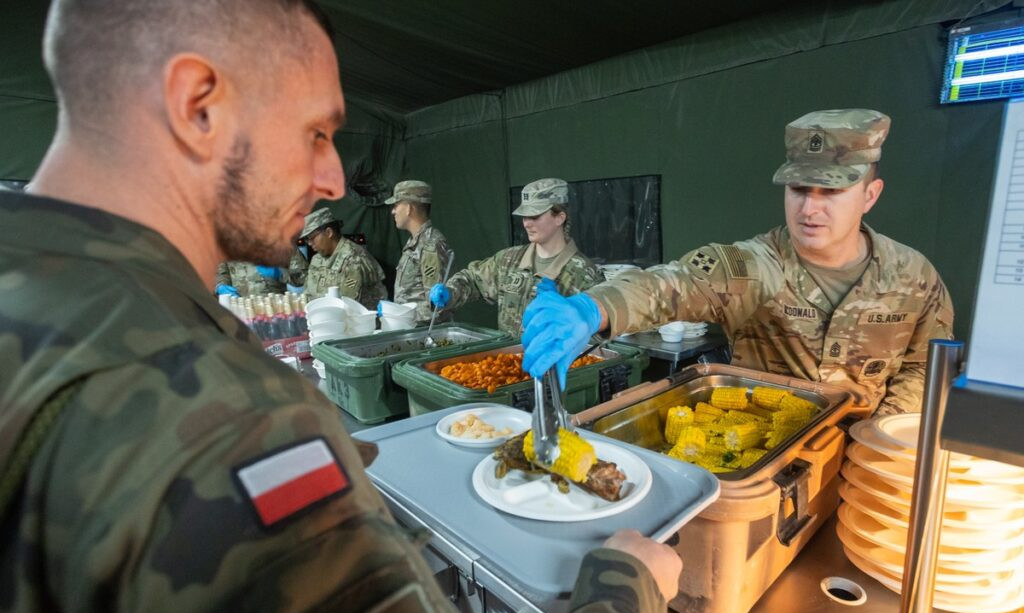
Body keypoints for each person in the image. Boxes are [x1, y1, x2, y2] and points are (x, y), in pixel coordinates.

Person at [0, 1, 681, 613]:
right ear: (196, 105)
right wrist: (624, 597)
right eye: (316, 133)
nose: (331, 179)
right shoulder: (219, 408)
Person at [522, 110, 954, 417]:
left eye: (832, 192)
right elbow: (677, 283)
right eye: (799, 189)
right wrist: (593, 309)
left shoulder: (914, 277)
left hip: (867, 465)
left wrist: (886, 435)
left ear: (870, 195)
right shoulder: (756, 263)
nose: (809, 209)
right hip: (768, 464)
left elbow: (923, 365)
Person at [430, 177, 605, 336]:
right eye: (525, 216)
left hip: (552, 367)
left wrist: (565, 313)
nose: (527, 223)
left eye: (535, 216)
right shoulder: (509, 260)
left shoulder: (584, 275)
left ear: (559, 217)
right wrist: (450, 293)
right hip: (507, 365)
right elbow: (473, 279)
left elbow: (599, 337)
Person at [387, 180, 454, 325]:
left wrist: (399, 315)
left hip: (427, 336)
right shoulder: (416, 242)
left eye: (396, 205)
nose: (393, 211)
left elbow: (438, 306)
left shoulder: (431, 245)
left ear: (409, 208)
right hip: (413, 331)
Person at [299, 206, 387, 307]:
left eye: (312, 238)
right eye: (307, 239)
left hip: (357, 320)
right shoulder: (317, 259)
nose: (309, 243)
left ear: (329, 233)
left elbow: (347, 304)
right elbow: (308, 295)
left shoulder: (354, 259)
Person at [215, 260, 286, 296]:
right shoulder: (224, 244)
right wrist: (221, 285)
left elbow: (294, 267)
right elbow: (221, 271)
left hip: (273, 298)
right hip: (241, 299)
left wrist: (280, 272)